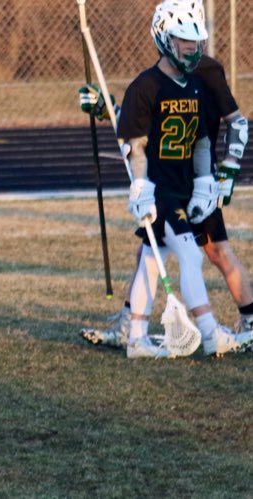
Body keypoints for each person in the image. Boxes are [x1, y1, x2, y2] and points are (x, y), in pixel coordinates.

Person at [79, 0, 252, 351]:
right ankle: (133, 328)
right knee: (151, 250)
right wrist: (109, 109)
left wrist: (225, 173)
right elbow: (142, 126)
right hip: (166, 181)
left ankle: (248, 320)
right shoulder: (150, 82)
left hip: (198, 179)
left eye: (195, 39)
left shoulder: (206, 73)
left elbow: (232, 124)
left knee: (215, 250)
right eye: (183, 39)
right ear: (165, 38)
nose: (192, 46)